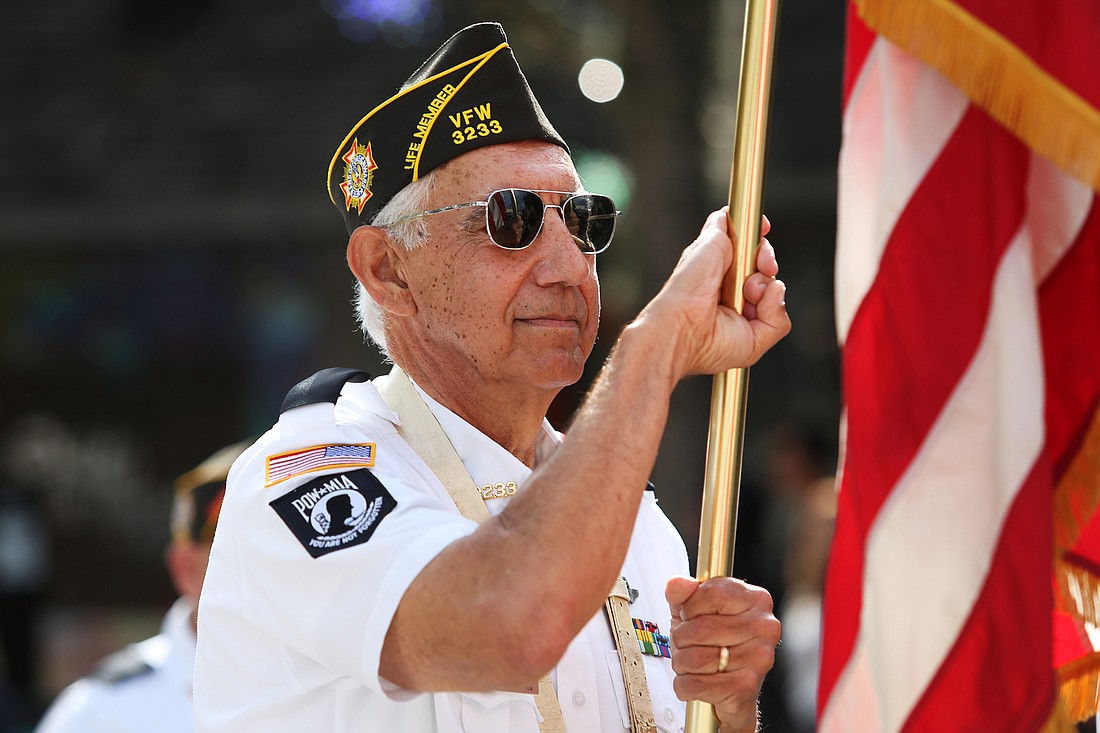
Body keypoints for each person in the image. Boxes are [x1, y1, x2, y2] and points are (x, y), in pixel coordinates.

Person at [194, 21, 791, 733]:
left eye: (582, 220)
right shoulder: (301, 475)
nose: (570, 266)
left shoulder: (632, 518)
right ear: (388, 270)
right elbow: (513, 624)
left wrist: (726, 713)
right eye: (512, 220)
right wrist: (653, 347)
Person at [34, 441, 247, 733]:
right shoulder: (102, 712)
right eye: (242, 546)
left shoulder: (330, 681)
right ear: (185, 568)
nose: (278, 563)